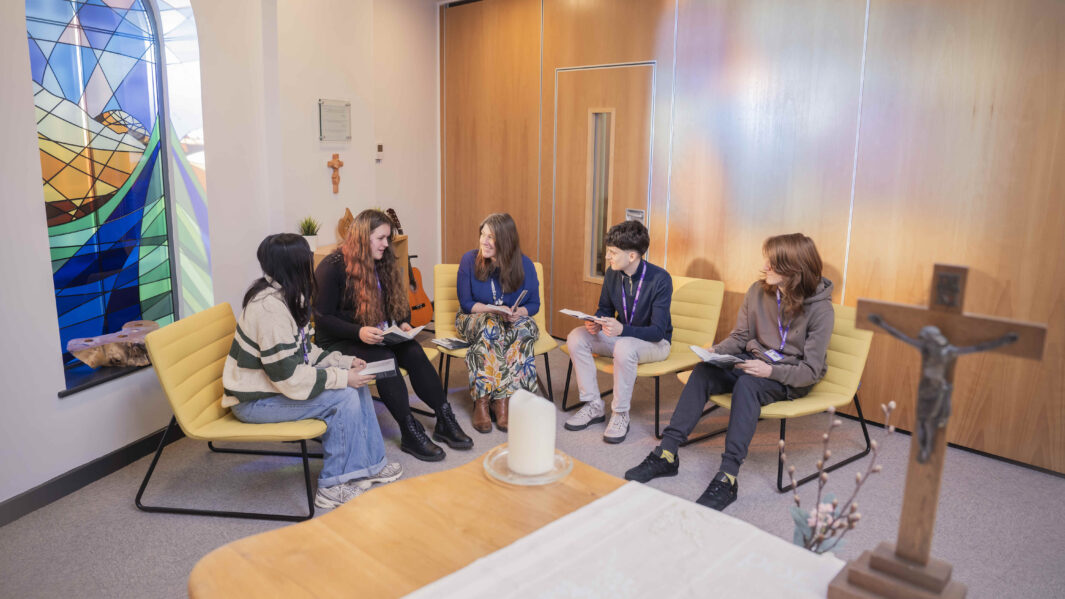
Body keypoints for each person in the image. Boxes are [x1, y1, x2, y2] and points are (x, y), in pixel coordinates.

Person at [624, 233, 834, 511]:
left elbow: (810, 370)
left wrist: (769, 371)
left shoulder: (821, 310)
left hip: (789, 375)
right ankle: (666, 453)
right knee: (704, 371)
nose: (765, 267)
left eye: (772, 263)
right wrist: (715, 352)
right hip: (753, 360)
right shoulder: (758, 291)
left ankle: (728, 477)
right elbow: (740, 336)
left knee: (747, 385)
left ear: (793, 269)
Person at [222, 233, 402, 510]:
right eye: (307, 259)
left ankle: (370, 465)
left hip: (274, 388)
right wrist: (341, 378)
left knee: (357, 384)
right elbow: (288, 377)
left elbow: (305, 351)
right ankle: (333, 486)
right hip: (253, 401)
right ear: (295, 265)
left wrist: (343, 362)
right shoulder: (269, 309)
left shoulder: (289, 295)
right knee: (342, 396)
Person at [314, 209, 472, 462]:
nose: (386, 244)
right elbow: (322, 318)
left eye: (388, 238)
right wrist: (359, 331)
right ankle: (409, 431)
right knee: (385, 359)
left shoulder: (383, 259)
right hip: (340, 340)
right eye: (381, 238)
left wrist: (403, 322)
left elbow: (395, 302)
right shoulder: (331, 268)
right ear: (363, 237)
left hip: (376, 332)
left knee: (413, 350)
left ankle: (444, 418)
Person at [564, 220, 673, 443]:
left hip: (655, 344)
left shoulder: (660, 279)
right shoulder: (613, 274)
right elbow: (605, 308)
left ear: (632, 256)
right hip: (623, 338)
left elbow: (657, 332)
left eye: (613, 252)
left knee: (624, 346)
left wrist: (623, 329)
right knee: (576, 337)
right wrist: (596, 321)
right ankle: (593, 404)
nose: (607, 257)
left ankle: (620, 413)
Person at [455, 213, 541, 433]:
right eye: (483, 234)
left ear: (506, 240)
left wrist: (518, 312)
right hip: (474, 319)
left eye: (491, 237)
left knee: (524, 329)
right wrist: (493, 309)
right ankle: (483, 401)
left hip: (509, 321)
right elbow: (466, 304)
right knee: (491, 326)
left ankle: (506, 400)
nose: (484, 241)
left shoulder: (524, 264)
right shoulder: (469, 259)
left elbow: (534, 304)